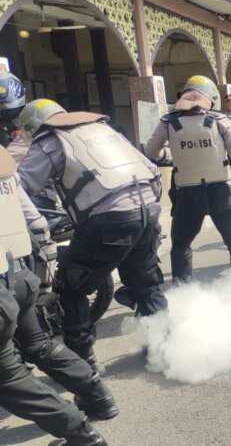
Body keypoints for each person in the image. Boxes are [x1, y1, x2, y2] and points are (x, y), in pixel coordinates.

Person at [17, 98, 167, 372]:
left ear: (33, 126)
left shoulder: (50, 141)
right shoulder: (103, 129)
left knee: (71, 286)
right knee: (146, 284)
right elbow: (152, 169)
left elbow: (21, 186)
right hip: (148, 207)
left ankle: (83, 366)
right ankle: (165, 350)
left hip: (109, 218)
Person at [0, 148, 109, 445]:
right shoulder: (4, 166)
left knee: (8, 378)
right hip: (18, 273)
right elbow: (35, 221)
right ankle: (99, 397)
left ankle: (82, 435)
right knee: (40, 345)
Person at [145, 75, 231, 283]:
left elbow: (151, 152)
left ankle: (183, 293)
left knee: (181, 245)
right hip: (220, 191)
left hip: (187, 194)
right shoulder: (220, 121)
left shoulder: (168, 122)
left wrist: (172, 156)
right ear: (210, 97)